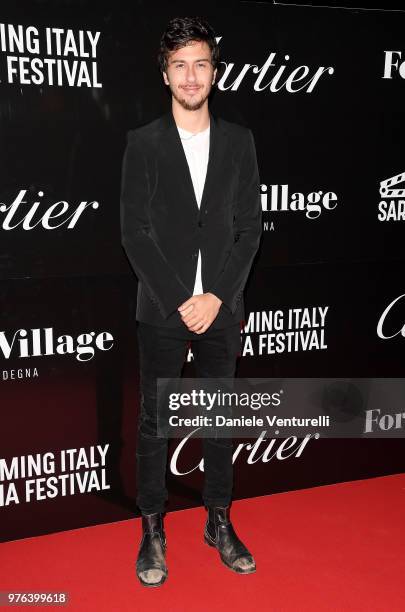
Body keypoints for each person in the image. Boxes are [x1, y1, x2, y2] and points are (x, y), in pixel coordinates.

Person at [120, 15, 262, 587]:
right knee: (156, 423)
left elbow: (249, 230)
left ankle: (218, 522)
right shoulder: (143, 143)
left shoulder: (240, 142)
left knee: (220, 420)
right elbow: (134, 233)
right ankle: (153, 528)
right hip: (163, 308)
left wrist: (216, 296)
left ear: (214, 72)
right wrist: (184, 300)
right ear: (164, 73)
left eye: (200, 63)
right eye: (179, 64)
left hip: (222, 308)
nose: (190, 75)